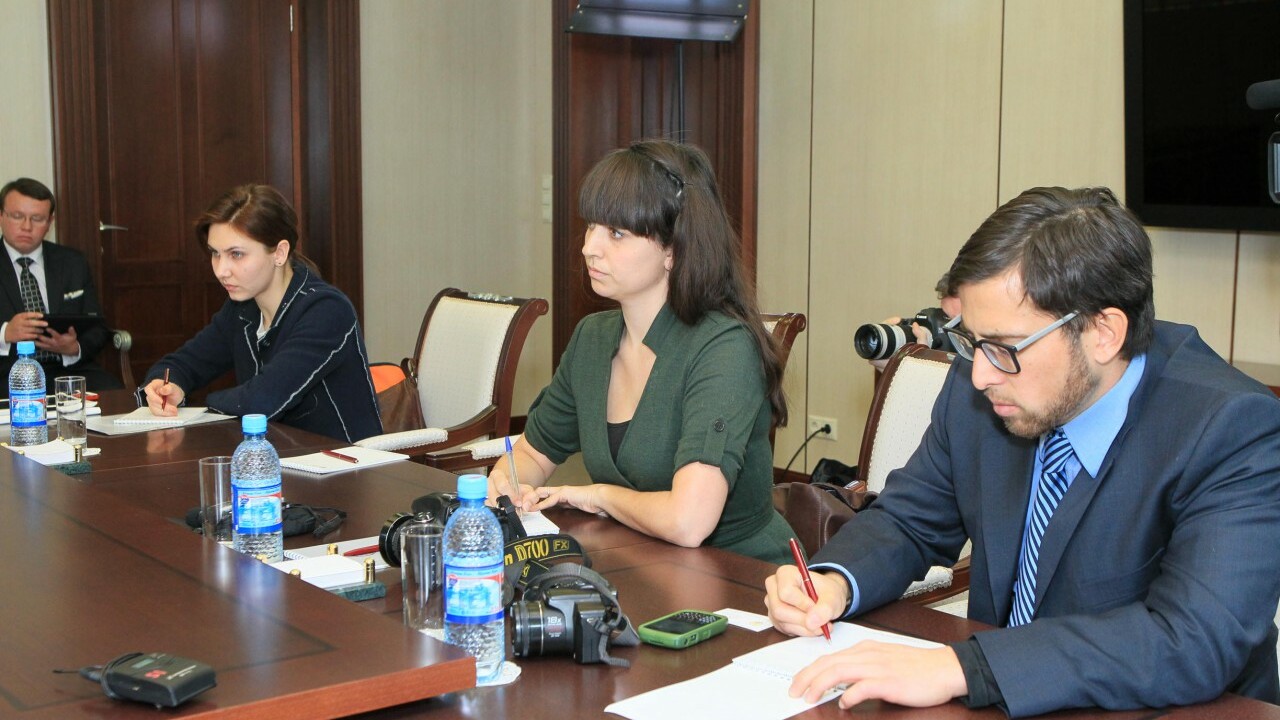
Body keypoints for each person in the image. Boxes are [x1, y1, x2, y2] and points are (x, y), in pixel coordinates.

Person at [764, 186, 1280, 717]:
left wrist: (965, 668)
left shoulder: (1229, 427)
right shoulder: (984, 385)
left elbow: (1191, 640)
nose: (979, 374)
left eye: (1004, 348)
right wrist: (833, 583)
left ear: (1103, 332)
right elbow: (912, 520)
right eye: (971, 342)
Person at [487, 140, 794, 564]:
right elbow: (531, 453)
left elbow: (689, 522)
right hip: (636, 562)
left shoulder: (725, 348)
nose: (589, 247)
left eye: (616, 233)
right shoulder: (593, 338)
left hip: (739, 576)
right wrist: (507, 482)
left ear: (672, 250)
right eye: (592, 226)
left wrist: (598, 496)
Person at [141, 184, 382, 443]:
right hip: (275, 456)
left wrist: (199, 405)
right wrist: (167, 385)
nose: (221, 271)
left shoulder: (326, 310)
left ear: (279, 253)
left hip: (344, 460)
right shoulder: (241, 309)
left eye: (236, 254)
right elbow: (181, 364)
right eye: (215, 254)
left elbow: (261, 401)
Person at [0, 177, 121, 390]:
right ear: (1, 215)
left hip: (67, 369)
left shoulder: (72, 262)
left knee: (115, 393)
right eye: (17, 216)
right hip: (8, 372)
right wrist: (5, 333)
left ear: (50, 222)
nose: (26, 226)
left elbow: (98, 328)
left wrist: (75, 348)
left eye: (37, 218)